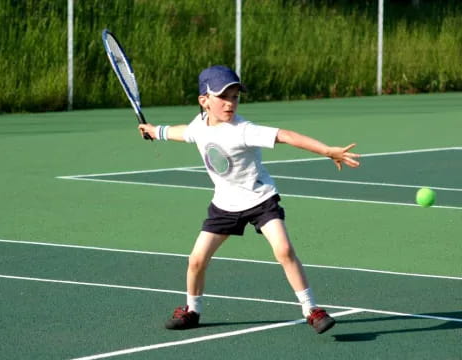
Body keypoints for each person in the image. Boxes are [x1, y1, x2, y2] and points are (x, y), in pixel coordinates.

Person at [138, 65, 360, 334]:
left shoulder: (244, 130)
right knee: (196, 260)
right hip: (224, 205)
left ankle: (311, 309)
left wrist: (327, 150)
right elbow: (183, 132)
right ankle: (192, 310)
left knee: (284, 251)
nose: (230, 103)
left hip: (260, 200)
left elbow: (286, 136)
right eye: (223, 97)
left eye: (235, 96)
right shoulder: (200, 126)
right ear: (204, 101)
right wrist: (156, 131)